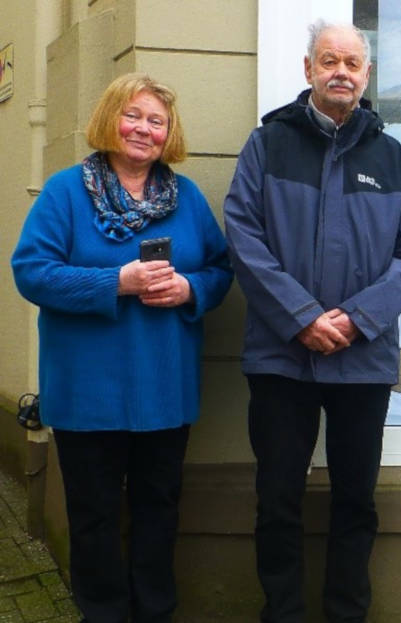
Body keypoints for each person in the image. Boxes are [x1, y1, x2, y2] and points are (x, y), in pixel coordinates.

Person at [223, 19, 401, 623]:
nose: (341, 71)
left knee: (355, 503)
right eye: (329, 60)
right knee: (278, 501)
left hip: (362, 361)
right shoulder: (268, 146)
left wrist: (359, 319)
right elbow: (243, 236)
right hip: (281, 359)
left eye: (352, 63)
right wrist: (302, 318)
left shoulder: (391, 156)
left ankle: (347, 613)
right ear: (308, 69)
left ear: (366, 75)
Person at [11, 73, 233, 623]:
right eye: (133, 115)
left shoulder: (186, 199)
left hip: (164, 387)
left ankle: (156, 613)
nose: (143, 129)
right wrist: (117, 282)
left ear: (169, 133)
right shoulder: (65, 191)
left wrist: (189, 288)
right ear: (110, 119)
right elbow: (32, 273)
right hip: (88, 393)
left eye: (156, 121)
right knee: (94, 521)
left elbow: (220, 270)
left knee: (158, 512)